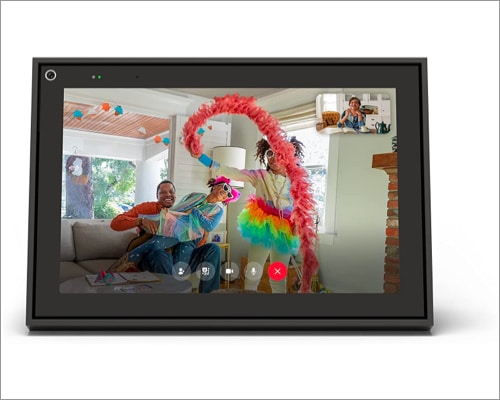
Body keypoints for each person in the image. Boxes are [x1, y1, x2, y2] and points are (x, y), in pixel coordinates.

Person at [193, 136, 306, 293]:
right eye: (270, 153)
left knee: (278, 276)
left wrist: (298, 222)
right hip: (263, 227)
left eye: (279, 153)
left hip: (285, 230)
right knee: (253, 272)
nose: (273, 158)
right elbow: (233, 172)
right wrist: (202, 158)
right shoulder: (260, 176)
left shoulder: (295, 180)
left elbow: (302, 204)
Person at [109, 178, 240, 293]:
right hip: (158, 255)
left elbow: (202, 229)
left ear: (175, 196)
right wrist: (141, 221)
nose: (168, 195)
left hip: (182, 252)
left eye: (171, 192)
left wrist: (199, 233)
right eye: (163, 192)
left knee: (213, 249)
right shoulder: (147, 208)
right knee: (159, 253)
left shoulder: (187, 209)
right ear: (156, 195)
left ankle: (209, 296)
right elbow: (116, 223)